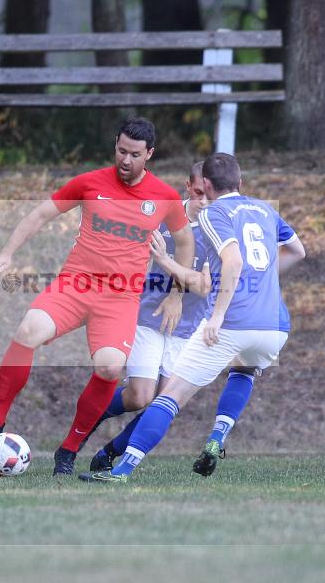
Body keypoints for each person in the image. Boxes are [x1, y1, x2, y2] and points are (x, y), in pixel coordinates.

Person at [0, 117, 195, 476]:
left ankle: (68, 450)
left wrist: (177, 294)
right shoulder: (89, 182)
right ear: (115, 144)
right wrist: (7, 253)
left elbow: (186, 242)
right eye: (121, 151)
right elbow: (40, 214)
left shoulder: (164, 196)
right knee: (27, 331)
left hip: (120, 299)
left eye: (134, 154)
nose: (125, 160)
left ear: (149, 154)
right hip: (75, 284)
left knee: (110, 367)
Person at [79, 152, 306, 483]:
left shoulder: (214, 215)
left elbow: (233, 263)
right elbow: (298, 251)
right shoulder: (265, 209)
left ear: (209, 185)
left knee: (170, 397)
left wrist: (216, 316)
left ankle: (121, 470)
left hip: (233, 321)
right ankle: (216, 438)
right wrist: (261, 284)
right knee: (244, 370)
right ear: (240, 183)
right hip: (275, 324)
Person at [85, 162, 212, 472]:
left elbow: (204, 285)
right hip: (148, 317)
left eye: (209, 195)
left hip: (188, 328)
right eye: (198, 193)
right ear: (187, 187)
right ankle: (91, 415)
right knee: (140, 397)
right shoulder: (163, 217)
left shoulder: (218, 231)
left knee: (165, 404)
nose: (204, 201)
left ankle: (110, 453)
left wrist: (173, 283)